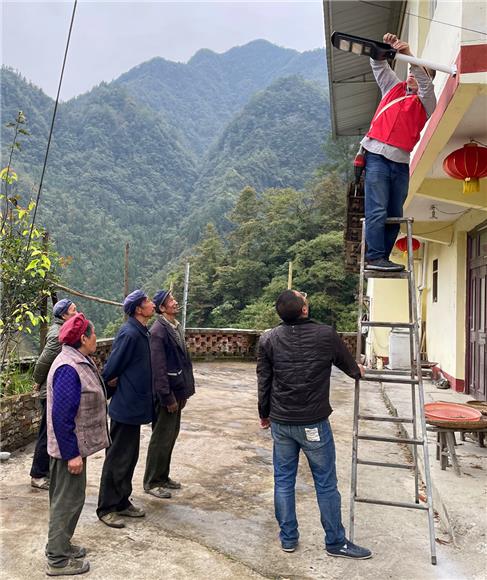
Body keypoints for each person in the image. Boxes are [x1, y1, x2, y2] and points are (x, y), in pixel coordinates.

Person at [256, 290, 371, 559]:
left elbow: (264, 380)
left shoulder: (269, 338)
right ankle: (335, 542)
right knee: (326, 482)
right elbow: (352, 369)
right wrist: (359, 370)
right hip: (313, 423)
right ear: (304, 310)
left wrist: (264, 413)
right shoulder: (326, 335)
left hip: (281, 422)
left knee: (283, 481)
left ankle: (288, 539)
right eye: (304, 299)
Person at [362, 33, 436, 272]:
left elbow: (425, 85)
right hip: (376, 157)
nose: (413, 75)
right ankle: (374, 257)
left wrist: (410, 55)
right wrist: (386, 47)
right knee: (377, 209)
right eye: (412, 72)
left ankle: (381, 257)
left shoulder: (426, 102)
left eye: (420, 73)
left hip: (400, 162)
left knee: (395, 212)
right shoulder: (393, 88)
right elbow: (378, 65)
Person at [45, 313, 109, 577]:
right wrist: (72, 454)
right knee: (66, 502)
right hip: (67, 451)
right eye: (93, 334)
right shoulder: (68, 368)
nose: (96, 339)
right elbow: (62, 417)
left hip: (73, 448)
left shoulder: (77, 359)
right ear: (83, 338)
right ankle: (57, 560)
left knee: (72, 500)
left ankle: (63, 545)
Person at [97, 289, 155, 528]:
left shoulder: (142, 332)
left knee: (129, 457)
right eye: (148, 302)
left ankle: (122, 501)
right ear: (139, 309)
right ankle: (106, 507)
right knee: (117, 457)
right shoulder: (129, 334)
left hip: (136, 405)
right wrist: (107, 387)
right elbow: (111, 368)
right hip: (125, 406)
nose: (152, 304)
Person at [143, 290, 195, 498]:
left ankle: (163, 476)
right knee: (161, 438)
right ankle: (152, 481)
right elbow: (158, 368)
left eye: (173, 299)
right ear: (161, 308)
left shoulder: (174, 326)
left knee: (170, 435)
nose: (175, 303)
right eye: (170, 301)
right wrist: (167, 397)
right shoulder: (158, 331)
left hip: (178, 391)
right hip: (168, 394)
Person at [30, 298, 78, 490]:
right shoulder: (59, 333)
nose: (76, 312)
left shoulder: (63, 330)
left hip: (54, 388)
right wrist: (36, 380)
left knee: (51, 431)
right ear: (64, 315)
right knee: (45, 432)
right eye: (73, 310)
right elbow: (45, 360)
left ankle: (46, 470)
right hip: (49, 390)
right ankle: (38, 474)